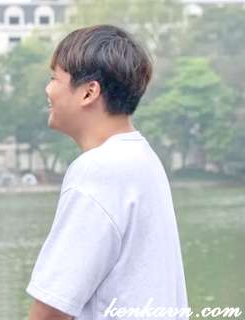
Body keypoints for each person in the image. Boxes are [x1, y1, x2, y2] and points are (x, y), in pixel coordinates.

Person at [26, 25, 188, 320]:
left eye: (54, 78)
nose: (48, 90)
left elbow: (51, 308)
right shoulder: (142, 158)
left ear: (89, 92)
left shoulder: (100, 169)